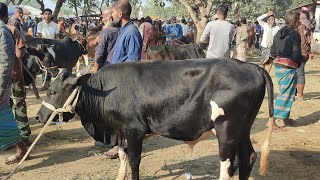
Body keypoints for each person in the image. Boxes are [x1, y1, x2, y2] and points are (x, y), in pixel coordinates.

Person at [0, 2, 27, 164]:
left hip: (4, 81)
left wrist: (1, 90)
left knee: (10, 114)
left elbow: (6, 63)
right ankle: (22, 149)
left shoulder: (4, 31)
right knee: (5, 117)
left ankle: (22, 147)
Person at [270, 10, 304, 129]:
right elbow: (296, 54)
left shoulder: (278, 33)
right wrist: (303, 59)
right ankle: (272, 120)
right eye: (298, 21)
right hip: (288, 67)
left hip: (278, 66)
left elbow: (272, 52)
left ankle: (284, 119)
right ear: (294, 21)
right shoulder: (295, 35)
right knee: (285, 94)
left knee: (288, 93)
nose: (299, 23)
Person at [37, 8, 59, 91]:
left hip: (52, 47)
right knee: (44, 66)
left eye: (49, 14)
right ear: (43, 15)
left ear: (51, 15)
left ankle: (51, 83)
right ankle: (45, 84)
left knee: (53, 65)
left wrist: (56, 46)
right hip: (43, 48)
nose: (47, 15)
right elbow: (39, 36)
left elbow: (56, 37)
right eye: (46, 14)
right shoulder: (40, 24)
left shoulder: (55, 25)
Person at [296, 10, 315, 100]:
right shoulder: (308, 26)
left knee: (299, 73)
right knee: (298, 73)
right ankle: (298, 93)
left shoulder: (300, 26)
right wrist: (310, 52)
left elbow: (303, 41)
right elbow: (309, 41)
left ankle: (300, 95)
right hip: (305, 53)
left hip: (299, 53)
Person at [94, 7, 120, 71]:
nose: (102, 20)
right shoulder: (123, 30)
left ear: (110, 19)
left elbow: (99, 56)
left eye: (103, 17)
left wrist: (95, 71)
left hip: (107, 69)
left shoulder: (106, 32)